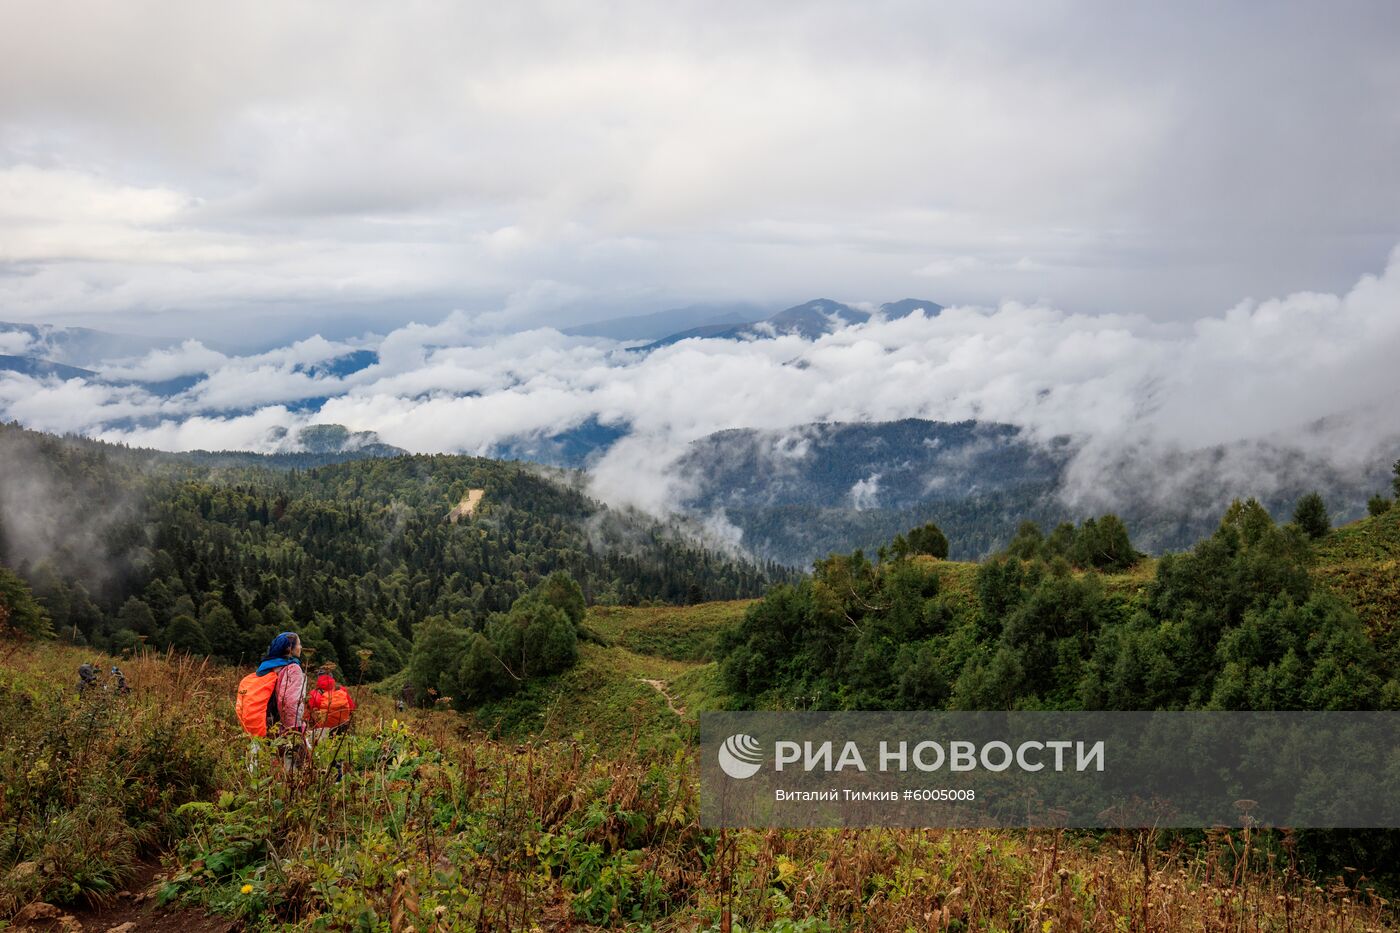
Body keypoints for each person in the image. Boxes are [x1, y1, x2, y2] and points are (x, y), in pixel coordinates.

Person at [236, 631, 308, 771]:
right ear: (289, 648)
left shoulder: (266, 668)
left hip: (264, 726)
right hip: (283, 728)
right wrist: (295, 731)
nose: (301, 647)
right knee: (293, 770)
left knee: (263, 769)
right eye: (299, 644)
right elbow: (290, 703)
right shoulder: (293, 668)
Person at [307, 672, 356, 742]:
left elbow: (308, 716)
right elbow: (352, 709)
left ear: (318, 679)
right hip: (342, 729)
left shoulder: (313, 694)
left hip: (322, 732)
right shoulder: (341, 689)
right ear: (332, 678)